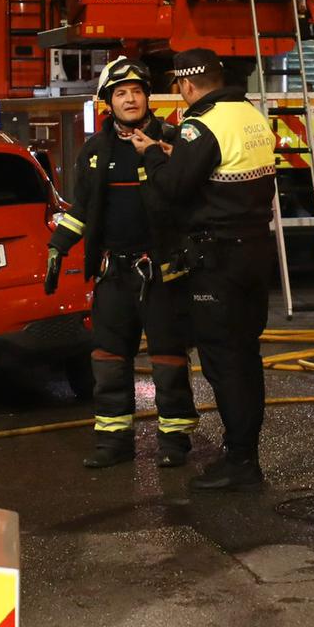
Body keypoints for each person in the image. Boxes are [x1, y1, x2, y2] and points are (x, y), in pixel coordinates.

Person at [124, 48, 275, 491]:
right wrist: (179, 154)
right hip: (254, 253)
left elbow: (172, 189)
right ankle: (247, 454)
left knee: (224, 361)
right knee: (246, 356)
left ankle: (241, 463)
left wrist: (153, 154)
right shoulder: (249, 114)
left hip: (218, 261)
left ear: (187, 85)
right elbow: (222, 171)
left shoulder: (200, 123)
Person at [45, 56, 199, 469]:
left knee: (168, 356)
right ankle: (113, 441)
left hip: (162, 270)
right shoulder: (95, 152)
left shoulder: (173, 140)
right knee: (109, 357)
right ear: (107, 102)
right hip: (115, 272)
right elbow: (84, 208)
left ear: (148, 97)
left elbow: (188, 200)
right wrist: (60, 243)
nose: (130, 99)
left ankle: (174, 440)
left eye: (136, 92)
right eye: (120, 93)